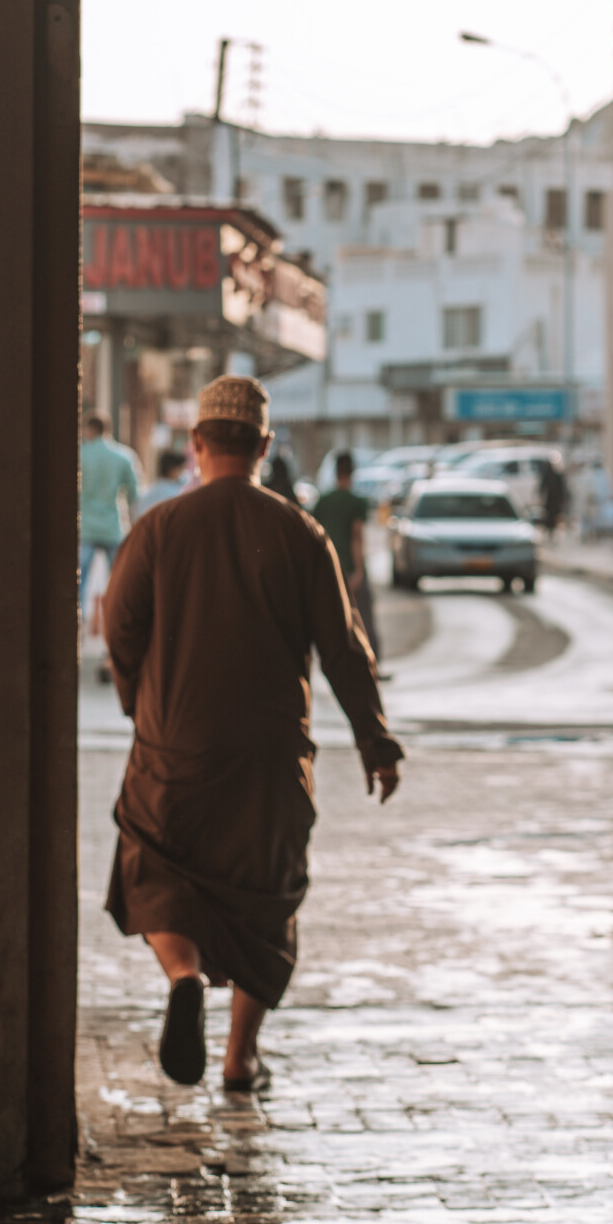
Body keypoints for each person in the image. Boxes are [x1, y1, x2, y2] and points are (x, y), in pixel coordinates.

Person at [102, 376, 403, 1092]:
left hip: (172, 747)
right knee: (267, 900)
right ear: (264, 447)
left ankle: (182, 976)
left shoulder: (158, 530)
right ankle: (240, 1058)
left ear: (198, 446)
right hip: (270, 759)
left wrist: (137, 701)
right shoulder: (301, 533)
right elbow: (344, 649)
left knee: (156, 866)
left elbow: (119, 627)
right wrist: (376, 741)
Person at [314, 452, 384, 662]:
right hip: (350, 568)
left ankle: (339, 662)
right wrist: (359, 571)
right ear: (352, 472)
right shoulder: (356, 502)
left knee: (332, 619)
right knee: (364, 617)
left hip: (329, 568)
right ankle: (371, 664)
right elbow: (356, 537)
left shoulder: (323, 502)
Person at [80, 412, 139, 619]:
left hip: (85, 526)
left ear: (89, 430)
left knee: (79, 581)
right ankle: (117, 621)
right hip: (113, 526)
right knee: (119, 582)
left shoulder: (80, 454)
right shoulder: (124, 456)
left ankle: (79, 624)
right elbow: (134, 493)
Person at [135, 449, 188, 516]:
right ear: (172, 470)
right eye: (180, 469)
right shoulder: (171, 493)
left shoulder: (153, 489)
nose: (182, 472)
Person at [539, 454, 568, 540]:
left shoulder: (558, 476)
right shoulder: (548, 475)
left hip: (556, 500)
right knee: (548, 517)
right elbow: (543, 486)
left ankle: (553, 534)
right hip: (550, 500)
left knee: (555, 517)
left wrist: (563, 500)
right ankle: (549, 534)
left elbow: (562, 489)